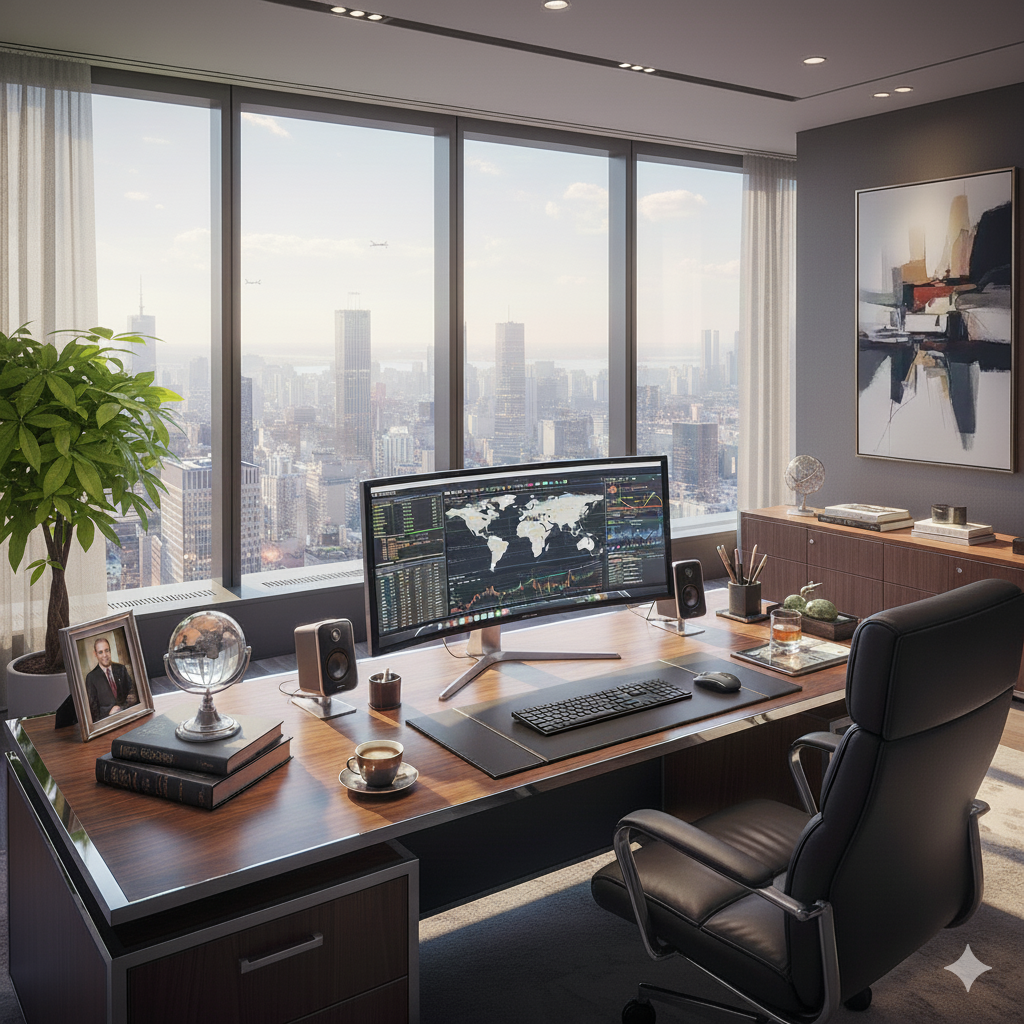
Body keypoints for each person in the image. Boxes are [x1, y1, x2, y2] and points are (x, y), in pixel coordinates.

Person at [84, 636, 136, 721]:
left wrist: (121, 708)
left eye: (106, 650)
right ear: (95, 654)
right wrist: (109, 714)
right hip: (107, 721)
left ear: (110, 651)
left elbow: (133, 694)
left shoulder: (121, 669)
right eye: (100, 652)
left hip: (127, 716)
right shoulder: (91, 677)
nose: (105, 655)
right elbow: (93, 710)